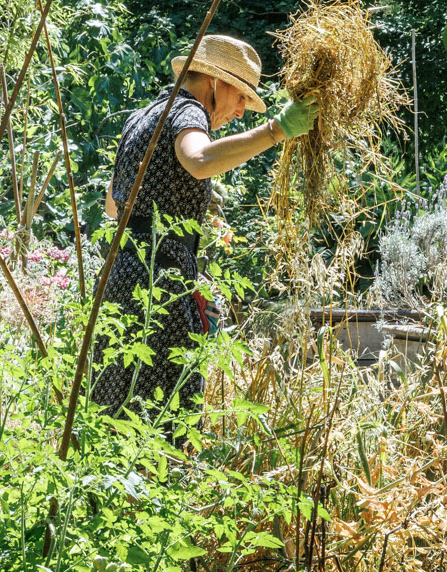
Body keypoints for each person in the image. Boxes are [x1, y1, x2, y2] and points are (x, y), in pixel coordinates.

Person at [92, 33, 316, 433]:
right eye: (243, 96)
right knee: (163, 419)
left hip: (118, 279)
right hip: (156, 288)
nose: (242, 110)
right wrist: (276, 130)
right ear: (216, 81)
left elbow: (113, 205)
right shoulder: (187, 113)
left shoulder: (141, 118)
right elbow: (197, 159)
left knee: (113, 408)